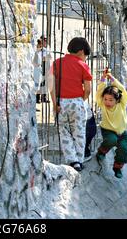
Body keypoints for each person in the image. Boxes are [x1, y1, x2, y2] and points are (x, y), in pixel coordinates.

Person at [48, 37, 92, 172]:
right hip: (77, 102)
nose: (85, 58)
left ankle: (72, 161)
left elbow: (51, 86)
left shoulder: (56, 63)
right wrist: (81, 100)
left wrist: (55, 104)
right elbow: (88, 89)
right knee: (79, 133)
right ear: (81, 52)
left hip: (61, 103)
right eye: (86, 55)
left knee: (64, 131)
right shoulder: (83, 65)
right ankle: (79, 160)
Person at [95, 69, 127, 179]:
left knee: (124, 150)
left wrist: (111, 78)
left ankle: (117, 167)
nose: (107, 102)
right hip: (108, 130)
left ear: (117, 100)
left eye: (110, 100)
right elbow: (99, 92)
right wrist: (103, 78)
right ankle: (101, 151)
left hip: (123, 133)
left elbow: (123, 90)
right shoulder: (102, 105)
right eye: (105, 99)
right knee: (111, 140)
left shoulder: (122, 104)